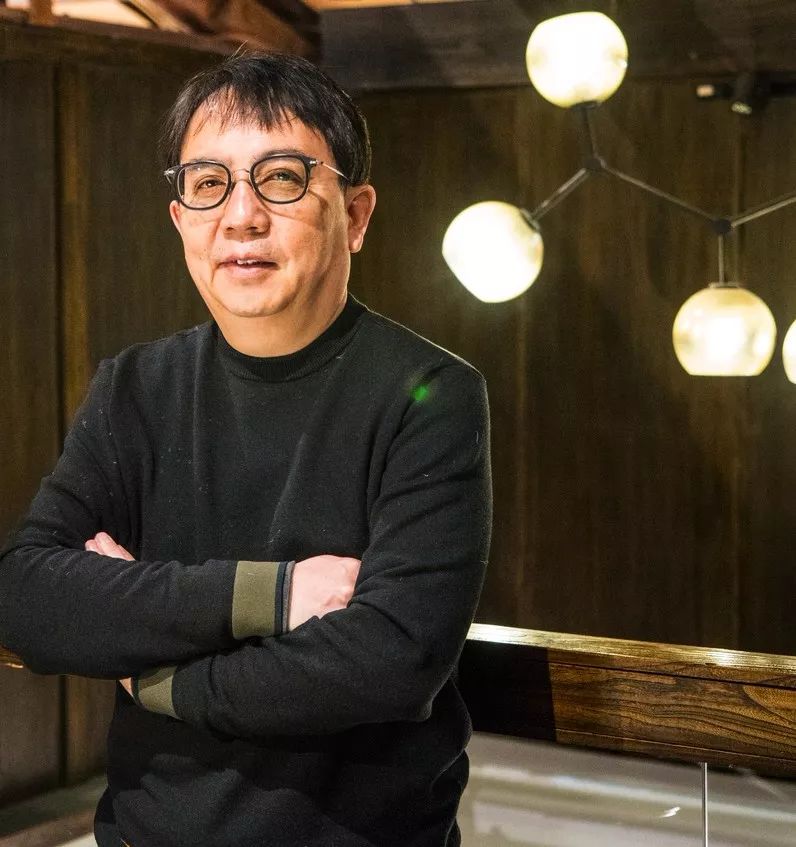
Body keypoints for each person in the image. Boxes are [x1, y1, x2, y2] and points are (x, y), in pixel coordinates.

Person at [0, 52, 491, 847]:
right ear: (180, 220)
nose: (240, 215)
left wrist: (156, 679)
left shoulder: (429, 394)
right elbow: (24, 596)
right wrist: (274, 594)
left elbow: (390, 660)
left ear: (356, 214)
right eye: (208, 183)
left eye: (282, 178)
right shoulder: (135, 388)